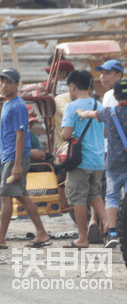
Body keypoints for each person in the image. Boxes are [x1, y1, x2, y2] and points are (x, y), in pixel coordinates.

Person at [0, 69, 51, 250]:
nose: (3, 85)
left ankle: (0, 238)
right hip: (9, 157)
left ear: (16, 85)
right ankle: (41, 233)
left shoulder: (18, 106)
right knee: (20, 195)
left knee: (6, 196)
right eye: (1, 82)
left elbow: (21, 136)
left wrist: (17, 165)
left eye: (8, 82)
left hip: (15, 158)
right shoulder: (7, 103)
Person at [77, 78, 127, 249]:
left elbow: (91, 115)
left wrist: (81, 113)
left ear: (114, 95)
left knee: (112, 197)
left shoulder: (110, 112)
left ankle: (112, 232)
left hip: (113, 164)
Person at [60, 70, 107, 249]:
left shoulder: (72, 107)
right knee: (94, 194)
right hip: (97, 160)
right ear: (89, 86)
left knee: (78, 198)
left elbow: (66, 134)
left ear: (72, 87)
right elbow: (104, 132)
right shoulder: (99, 106)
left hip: (80, 160)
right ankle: (110, 227)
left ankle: (82, 238)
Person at [86, 59, 123, 243]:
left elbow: (106, 128)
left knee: (105, 191)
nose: (102, 77)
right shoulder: (110, 94)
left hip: (109, 150)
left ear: (118, 75)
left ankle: (103, 226)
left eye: (107, 73)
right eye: (101, 73)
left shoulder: (109, 95)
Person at [49, 59, 75, 144]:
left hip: (64, 141)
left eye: (53, 75)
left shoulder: (60, 89)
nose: (51, 79)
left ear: (63, 74)